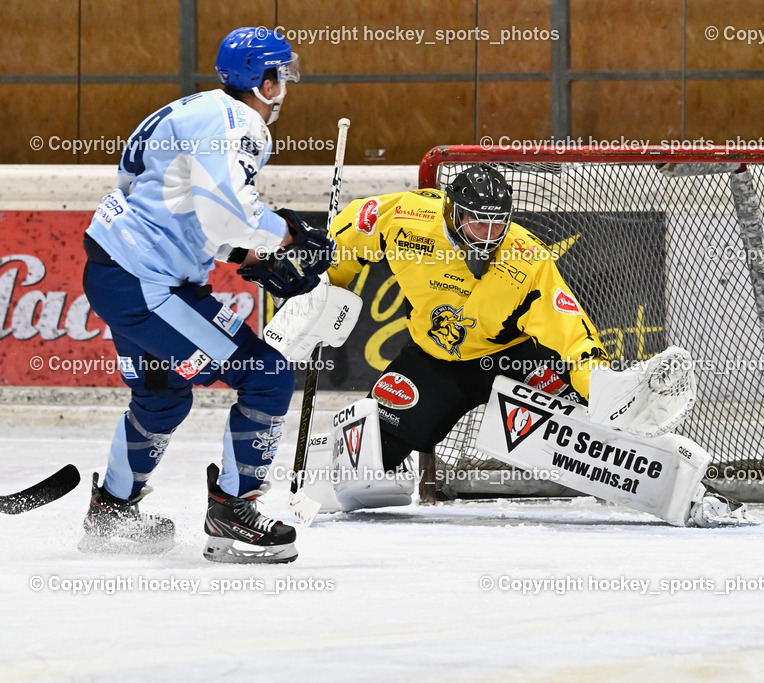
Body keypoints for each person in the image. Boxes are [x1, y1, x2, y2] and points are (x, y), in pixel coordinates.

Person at [80, 27, 331, 563]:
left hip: (114, 270)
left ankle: (112, 513)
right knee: (266, 375)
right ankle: (232, 512)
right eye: (280, 76)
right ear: (261, 82)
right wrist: (292, 233)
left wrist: (247, 258)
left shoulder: (194, 109)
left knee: (163, 395)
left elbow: (172, 203)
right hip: (148, 283)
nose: (285, 86)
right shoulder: (239, 124)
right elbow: (227, 213)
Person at [325, 165, 609, 472]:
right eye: (478, 222)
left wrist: (602, 392)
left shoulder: (528, 259)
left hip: (512, 359)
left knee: (590, 432)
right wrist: (324, 283)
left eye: (498, 223)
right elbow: (352, 231)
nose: (488, 236)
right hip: (435, 360)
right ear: (453, 212)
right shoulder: (409, 219)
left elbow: (573, 334)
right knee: (368, 458)